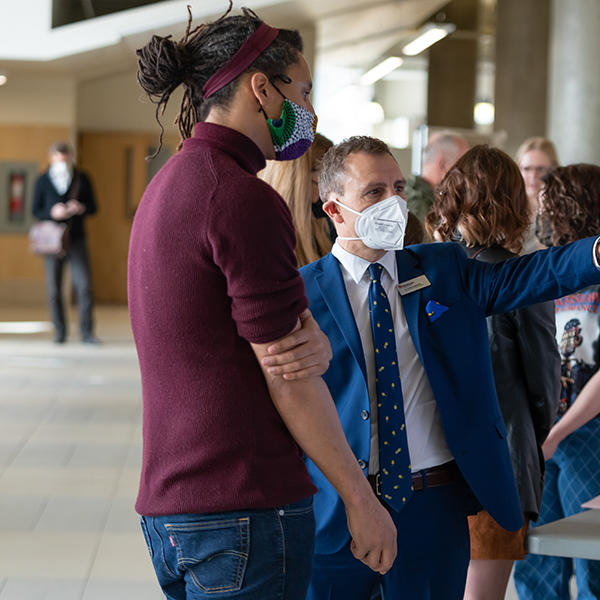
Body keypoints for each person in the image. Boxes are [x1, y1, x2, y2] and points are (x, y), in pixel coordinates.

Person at [300, 135, 600, 600]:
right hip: (339, 508)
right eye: (374, 192)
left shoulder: (442, 267)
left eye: (396, 188)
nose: (392, 202)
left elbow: (530, 274)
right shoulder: (302, 295)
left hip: (434, 504)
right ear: (334, 210)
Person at [131, 8, 396, 599]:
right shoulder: (239, 197)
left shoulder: (168, 185)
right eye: (301, 91)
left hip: (174, 507)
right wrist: (361, 499)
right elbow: (290, 375)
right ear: (261, 87)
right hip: (243, 506)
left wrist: (312, 343)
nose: (310, 111)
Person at [426, 146, 561, 600]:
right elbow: (543, 379)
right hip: (499, 462)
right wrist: (536, 436)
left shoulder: (426, 272)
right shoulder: (519, 274)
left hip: (431, 465)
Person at [514, 164, 600, 600]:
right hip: (546, 434)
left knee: (599, 567)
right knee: (536, 562)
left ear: (574, 209)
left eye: (549, 208)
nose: (542, 218)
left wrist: (557, 433)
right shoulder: (552, 271)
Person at [31, 142, 98, 344]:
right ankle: (59, 332)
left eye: (66, 158)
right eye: (59, 158)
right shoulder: (42, 181)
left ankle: (87, 333)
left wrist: (80, 208)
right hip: (52, 242)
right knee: (54, 289)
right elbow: (35, 210)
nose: (63, 162)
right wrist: (52, 213)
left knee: (84, 286)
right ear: (51, 157)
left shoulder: (82, 178)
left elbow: (94, 207)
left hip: (76, 239)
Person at [260, 133, 335, 267]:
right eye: (326, 182)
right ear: (299, 183)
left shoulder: (324, 233)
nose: (333, 193)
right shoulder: (265, 246)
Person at [405, 130, 469, 241]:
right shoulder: (419, 208)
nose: (467, 174)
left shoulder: (435, 199)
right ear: (443, 165)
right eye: (464, 166)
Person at [514, 137, 559, 254]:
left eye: (540, 169)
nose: (533, 176)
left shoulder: (562, 210)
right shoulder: (510, 207)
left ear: (554, 170)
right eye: (527, 169)